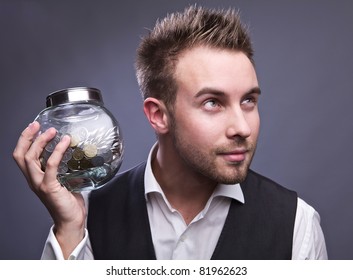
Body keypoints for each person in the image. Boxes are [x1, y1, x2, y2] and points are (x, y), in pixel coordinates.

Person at [13, 5, 327, 260]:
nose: (242, 128)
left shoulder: (297, 223)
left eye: (248, 100)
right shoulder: (86, 217)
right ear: (159, 115)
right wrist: (69, 229)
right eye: (213, 103)